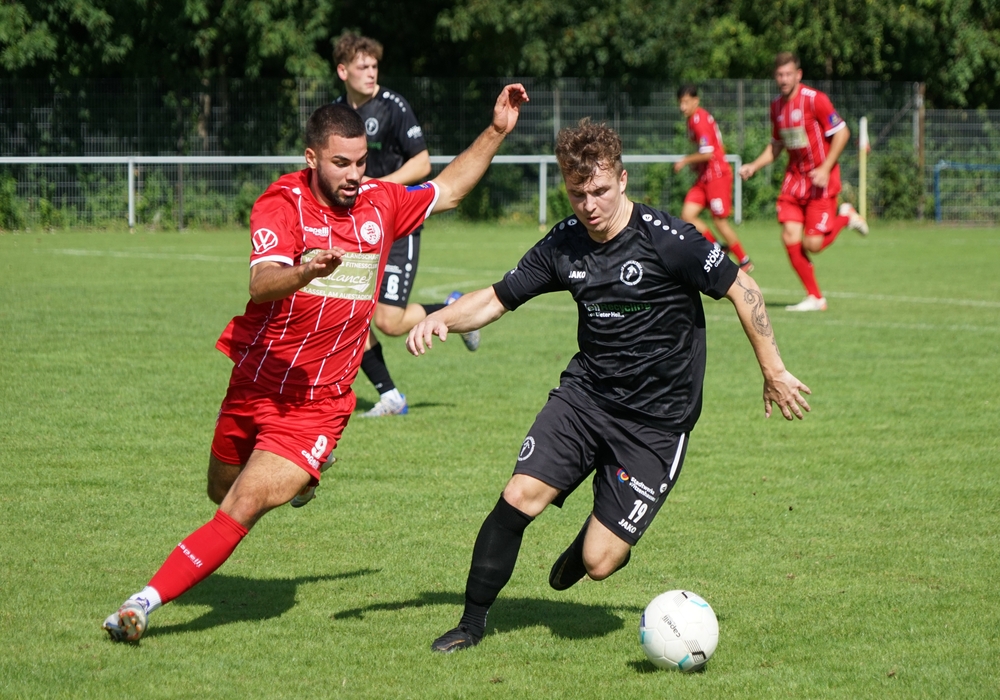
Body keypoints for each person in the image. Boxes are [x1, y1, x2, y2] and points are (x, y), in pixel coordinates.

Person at [101, 83, 530, 643]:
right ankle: (301, 480)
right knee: (220, 492)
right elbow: (261, 284)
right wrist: (304, 270)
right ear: (312, 158)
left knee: (243, 504)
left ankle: (141, 604)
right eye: (341, 164)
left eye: (361, 162)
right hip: (255, 383)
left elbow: (447, 190)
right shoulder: (282, 203)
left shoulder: (380, 202)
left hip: (317, 403)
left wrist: (496, 130)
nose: (355, 174)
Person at [406, 118, 812, 654]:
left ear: (621, 180)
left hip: (656, 423)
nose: (589, 205)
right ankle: (471, 625)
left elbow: (744, 288)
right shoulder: (565, 244)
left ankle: (591, 541)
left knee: (600, 562)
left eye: (599, 190)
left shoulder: (668, 240)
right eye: (578, 194)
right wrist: (442, 317)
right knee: (518, 496)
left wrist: (774, 370)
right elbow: (499, 297)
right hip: (586, 399)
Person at [333, 33, 479, 417]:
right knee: (346, 310)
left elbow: (422, 164)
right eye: (362, 66)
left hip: (398, 223)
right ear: (343, 71)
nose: (371, 72)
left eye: (374, 66)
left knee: (390, 322)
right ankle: (390, 396)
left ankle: (455, 309)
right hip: (357, 227)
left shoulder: (393, 107)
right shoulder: (336, 114)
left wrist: (376, 186)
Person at [739, 52, 869, 312]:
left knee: (813, 245)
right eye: (780, 75)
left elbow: (842, 132)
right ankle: (815, 297)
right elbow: (776, 145)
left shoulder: (815, 99)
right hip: (794, 181)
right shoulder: (776, 107)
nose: (784, 79)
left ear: (798, 75)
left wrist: (826, 167)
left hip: (821, 180)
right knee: (790, 236)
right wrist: (754, 165)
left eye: (789, 74)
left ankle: (845, 216)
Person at [674, 84, 753, 272]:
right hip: (704, 177)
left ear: (696, 101)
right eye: (680, 103)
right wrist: (696, 165)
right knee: (687, 215)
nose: (682, 107)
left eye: (686, 102)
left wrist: (685, 160)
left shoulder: (699, 120)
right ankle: (718, 247)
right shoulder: (692, 120)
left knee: (719, 221)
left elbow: (708, 153)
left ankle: (744, 260)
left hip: (717, 176)